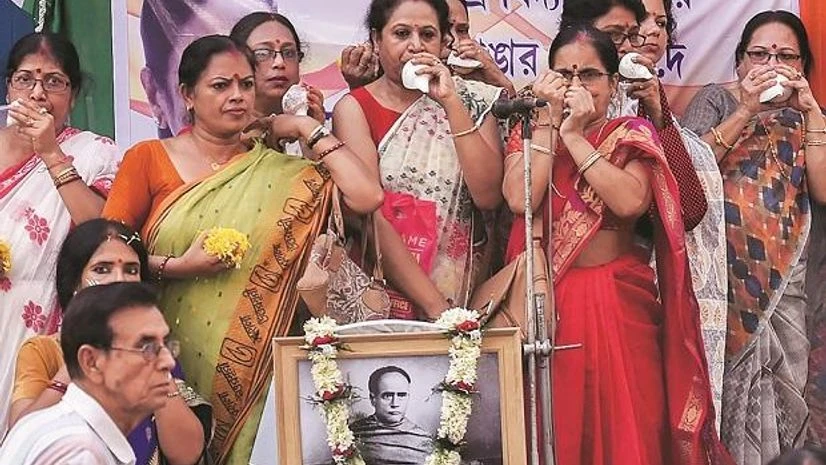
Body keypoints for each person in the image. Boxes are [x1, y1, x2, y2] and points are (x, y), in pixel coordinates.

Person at [103, 35, 383, 464]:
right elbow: (107, 256)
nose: (237, 96)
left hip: (256, 370)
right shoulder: (149, 157)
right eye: (220, 86)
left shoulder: (284, 172)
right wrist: (179, 267)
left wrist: (305, 127)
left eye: (245, 85)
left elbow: (366, 197)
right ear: (187, 95)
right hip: (166, 351)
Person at [502, 23, 731, 464]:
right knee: (559, 428)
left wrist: (575, 136)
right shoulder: (530, 130)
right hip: (549, 303)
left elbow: (629, 202)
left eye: (589, 74)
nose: (575, 84)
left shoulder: (630, 133)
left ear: (611, 83)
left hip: (617, 300)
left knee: (629, 426)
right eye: (564, 73)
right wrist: (553, 125)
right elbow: (519, 198)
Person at [682, 11, 826, 464]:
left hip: (788, 290)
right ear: (740, 61)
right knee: (721, 396)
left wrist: (810, 109)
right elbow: (687, 175)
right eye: (760, 54)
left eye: (786, 56)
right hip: (722, 292)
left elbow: (822, 189)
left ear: (803, 66)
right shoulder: (717, 102)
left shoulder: (810, 120)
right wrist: (747, 109)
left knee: (789, 390)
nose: (771, 64)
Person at [333, 0, 505, 321]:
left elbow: (489, 196)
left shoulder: (475, 100)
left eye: (428, 35)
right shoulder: (355, 108)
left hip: (464, 294)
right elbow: (368, 216)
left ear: (443, 43)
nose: (415, 46)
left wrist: (451, 101)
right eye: (401, 33)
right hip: (384, 295)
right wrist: (435, 306)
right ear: (376, 40)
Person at [8, 219, 211, 465]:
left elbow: (187, 455)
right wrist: (79, 360)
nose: (119, 281)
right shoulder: (44, 351)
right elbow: (21, 436)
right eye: (102, 269)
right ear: (75, 283)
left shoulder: (155, 351)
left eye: (131, 270)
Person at [0, 32, 120, 437]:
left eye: (53, 81)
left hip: (43, 320)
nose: (37, 93)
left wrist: (51, 153)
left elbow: (104, 232)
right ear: (8, 85)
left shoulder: (94, 154)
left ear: (73, 93)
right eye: (25, 79)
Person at [631, 0, 728, 421]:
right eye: (640, 22)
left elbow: (687, 207)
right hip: (596, 296)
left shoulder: (657, 111)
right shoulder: (574, 106)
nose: (652, 32)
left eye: (662, 22)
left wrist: (657, 113)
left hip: (659, 296)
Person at [560, 0, 708, 232]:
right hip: (551, 259)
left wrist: (659, 116)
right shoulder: (547, 99)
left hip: (629, 257)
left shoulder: (638, 99)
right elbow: (522, 202)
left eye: (631, 35)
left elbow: (688, 211)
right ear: (578, 33)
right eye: (615, 35)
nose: (629, 47)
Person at [0, 282, 176, 465]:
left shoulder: (54, 426)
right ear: (91, 362)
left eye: (166, 344)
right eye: (146, 347)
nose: (168, 362)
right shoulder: (80, 452)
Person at [139, 0, 278, 138]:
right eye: (219, 84)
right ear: (154, 94)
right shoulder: (143, 157)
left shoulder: (289, 153)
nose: (237, 96)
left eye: (248, 82)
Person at [230, 12, 325, 123]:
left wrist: (314, 130)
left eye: (289, 53)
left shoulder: (316, 123)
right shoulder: (216, 131)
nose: (279, 63)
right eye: (262, 53)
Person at [349, 366, 432, 464]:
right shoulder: (352, 434)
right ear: (373, 399)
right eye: (387, 396)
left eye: (401, 395)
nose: (395, 404)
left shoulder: (423, 439)